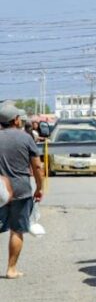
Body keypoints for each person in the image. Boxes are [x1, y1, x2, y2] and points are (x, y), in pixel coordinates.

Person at [0, 102, 44, 279]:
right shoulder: (26, 138)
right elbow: (37, 167)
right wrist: (39, 188)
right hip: (21, 190)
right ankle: (11, 269)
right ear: (16, 120)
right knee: (17, 230)